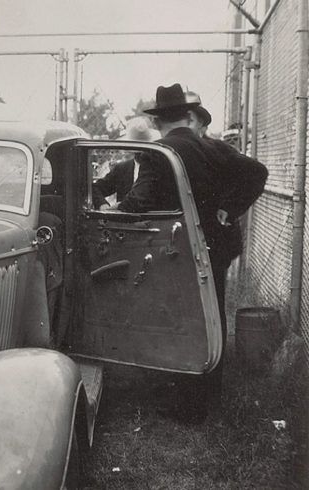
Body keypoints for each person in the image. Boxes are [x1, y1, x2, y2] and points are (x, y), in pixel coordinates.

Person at [119, 83, 267, 421]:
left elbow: (137, 202)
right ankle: (207, 392)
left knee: (181, 320)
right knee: (211, 314)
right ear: (187, 117)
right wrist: (229, 209)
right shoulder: (211, 147)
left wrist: (110, 210)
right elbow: (257, 173)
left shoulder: (160, 153)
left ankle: (189, 405)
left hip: (180, 249)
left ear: (158, 123)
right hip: (216, 245)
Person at [92, 117, 160, 210]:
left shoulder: (158, 166)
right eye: (139, 151)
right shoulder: (122, 169)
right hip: (124, 223)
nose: (143, 154)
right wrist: (103, 205)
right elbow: (96, 188)